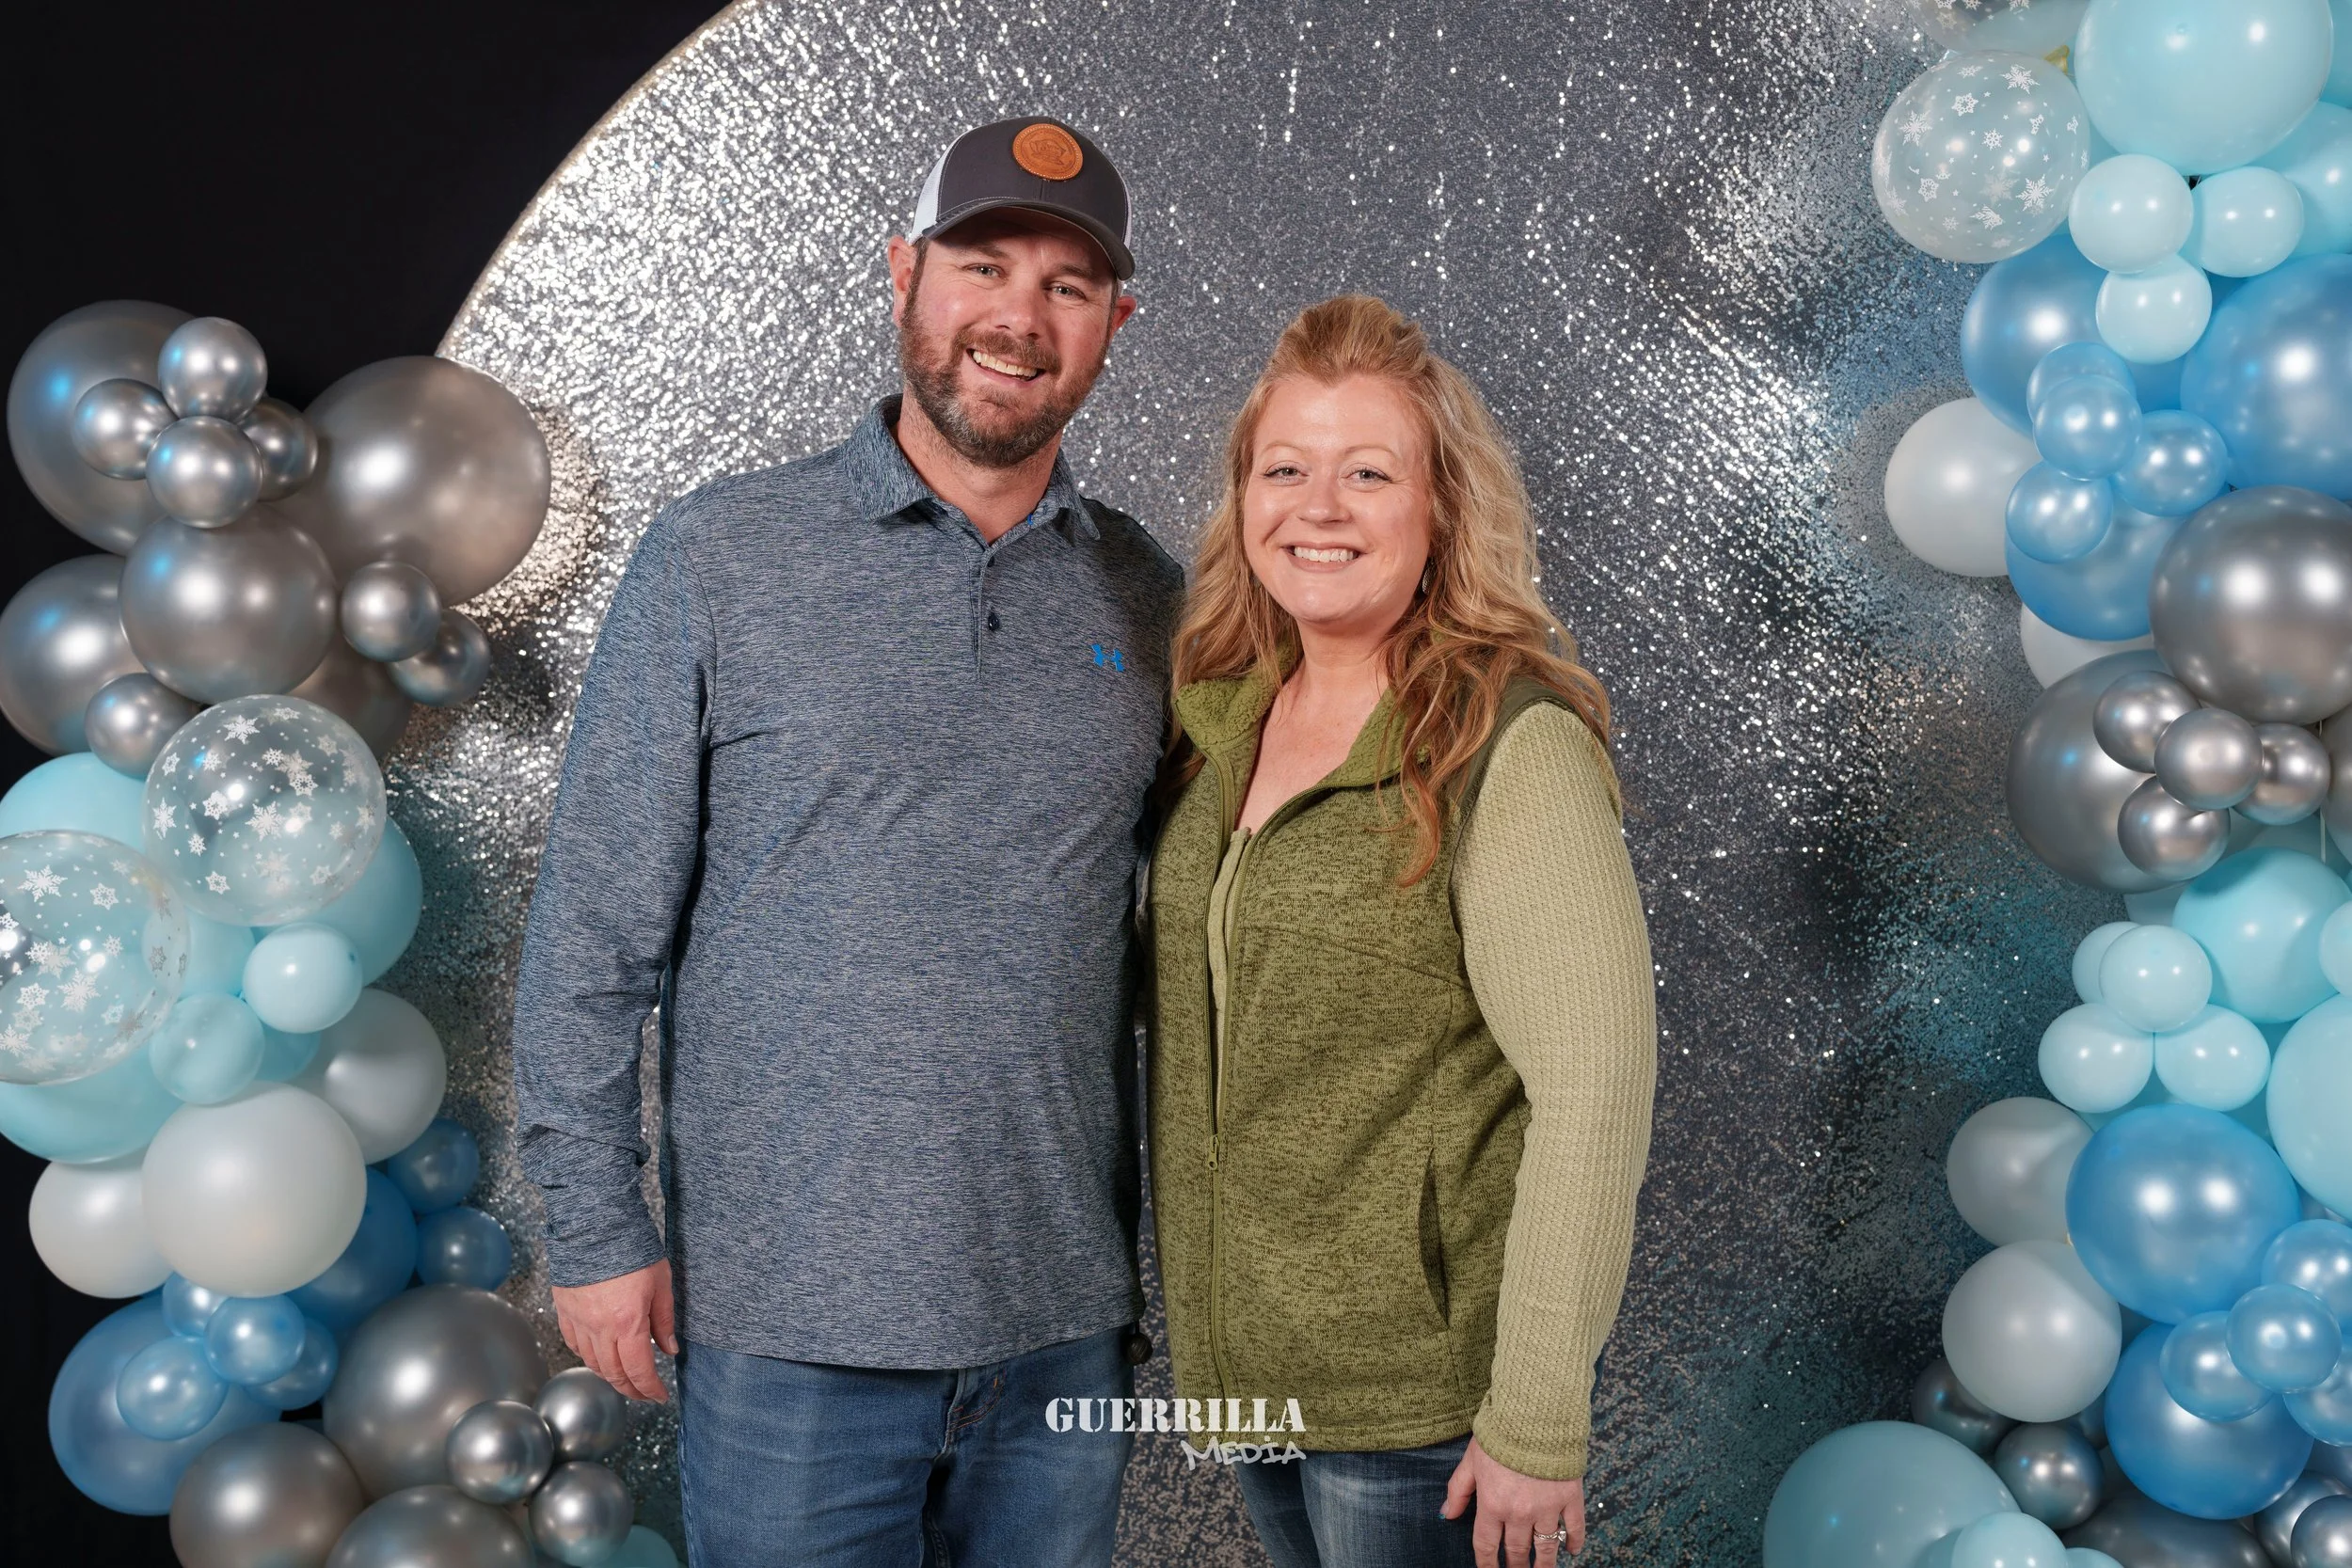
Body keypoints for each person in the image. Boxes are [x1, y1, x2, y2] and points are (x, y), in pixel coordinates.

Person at [508, 117, 1181, 1567]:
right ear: (902, 274)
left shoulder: (1151, 595)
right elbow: (593, 933)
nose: (1019, 316)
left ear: (1113, 325)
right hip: (787, 1337)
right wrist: (597, 1228)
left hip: (1062, 1335)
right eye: (983, 265)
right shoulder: (718, 557)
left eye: (1068, 286)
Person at [1146, 294, 1657, 1568]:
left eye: (1368, 473)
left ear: (1441, 509)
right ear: (1244, 499)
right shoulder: (1220, 726)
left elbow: (1594, 1095)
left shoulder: (1506, 745)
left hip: (1430, 1415)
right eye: (1285, 470)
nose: (1318, 508)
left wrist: (1536, 1419)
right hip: (1256, 1389)